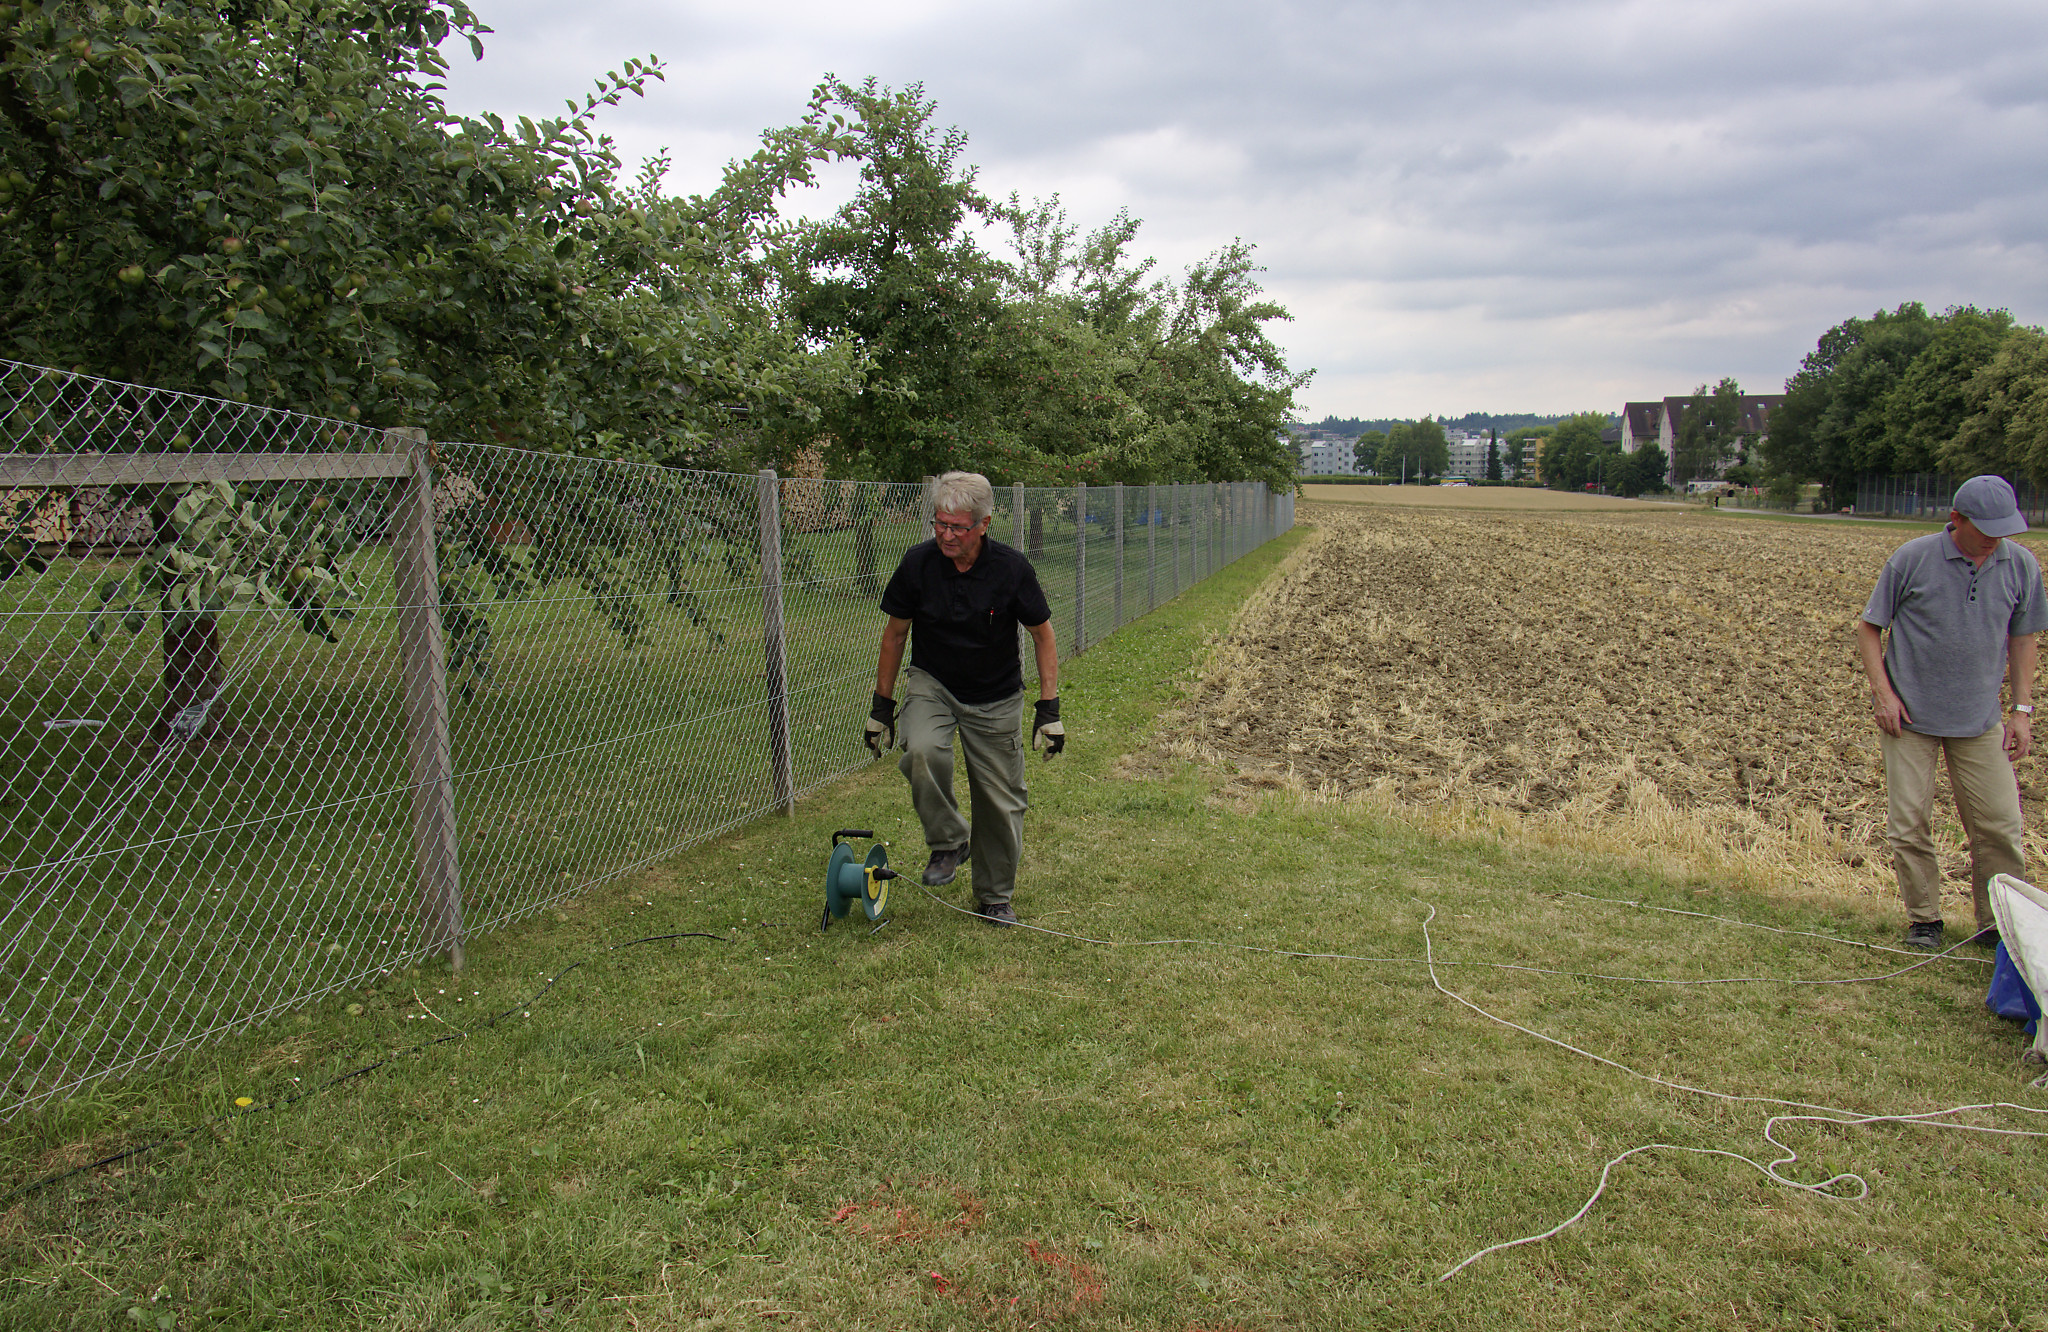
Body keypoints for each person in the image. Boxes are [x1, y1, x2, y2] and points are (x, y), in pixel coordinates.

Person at [1858, 474, 2048, 951]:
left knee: (1999, 825)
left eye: (2003, 530)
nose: (1994, 539)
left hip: (1979, 721)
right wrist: (1883, 694)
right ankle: (1925, 920)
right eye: (1985, 530)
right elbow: (1869, 628)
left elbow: (2024, 638)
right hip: (1909, 720)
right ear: (1956, 519)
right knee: (1909, 824)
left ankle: (2000, 927)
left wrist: (2021, 710)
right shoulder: (1912, 558)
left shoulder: (2020, 565)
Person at [865, 472, 1064, 927]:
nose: (946, 535)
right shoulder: (917, 564)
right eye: (940, 524)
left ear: (983, 524)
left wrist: (1049, 710)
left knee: (999, 800)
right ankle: (949, 841)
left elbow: (1043, 636)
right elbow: (895, 636)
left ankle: (995, 896)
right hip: (933, 683)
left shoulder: (1011, 569)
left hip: (995, 696)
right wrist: (881, 708)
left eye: (957, 527)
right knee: (921, 749)